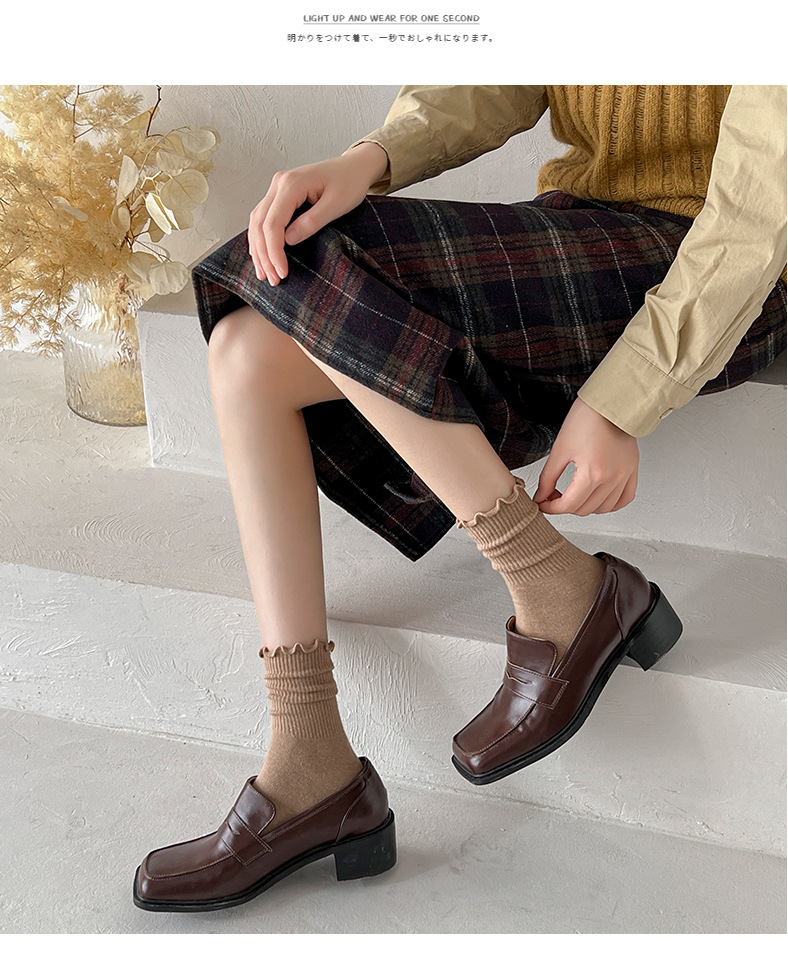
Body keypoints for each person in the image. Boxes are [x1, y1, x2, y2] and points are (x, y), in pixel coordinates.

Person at [132, 85, 787, 912]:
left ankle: (550, 578)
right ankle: (307, 752)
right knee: (243, 347)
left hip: (737, 267)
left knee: (318, 258)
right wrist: (368, 159)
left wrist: (622, 401)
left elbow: (753, 216)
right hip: (586, 227)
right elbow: (496, 80)